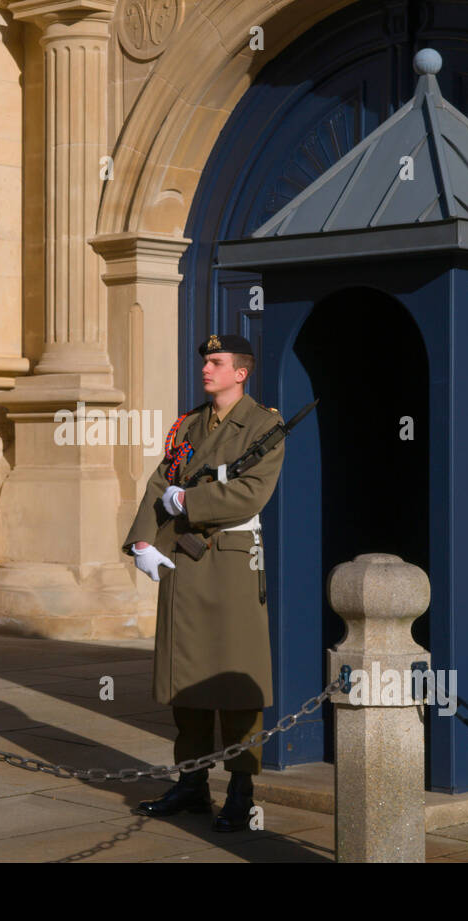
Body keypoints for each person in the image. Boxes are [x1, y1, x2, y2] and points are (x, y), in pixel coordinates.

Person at [122, 332, 286, 832]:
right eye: (205, 361)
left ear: (242, 372)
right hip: (184, 560)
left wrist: (189, 503)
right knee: (186, 679)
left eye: (216, 362)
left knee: (237, 680)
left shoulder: (265, 424)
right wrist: (142, 542)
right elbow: (158, 481)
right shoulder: (189, 423)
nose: (206, 368)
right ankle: (192, 783)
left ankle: (241, 788)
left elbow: (252, 493)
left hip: (232, 562)